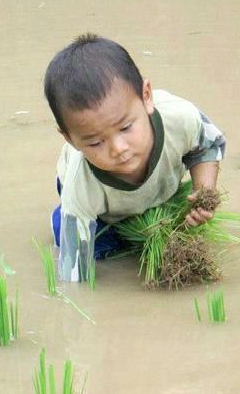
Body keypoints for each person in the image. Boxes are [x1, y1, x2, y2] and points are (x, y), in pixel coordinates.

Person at [43, 33, 226, 282]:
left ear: (146, 96)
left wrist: (203, 195)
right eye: (96, 142)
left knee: (181, 225)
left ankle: (149, 212)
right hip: (102, 208)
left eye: (126, 127)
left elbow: (207, 145)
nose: (118, 148)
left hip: (158, 186)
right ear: (69, 139)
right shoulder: (81, 185)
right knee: (97, 245)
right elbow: (75, 271)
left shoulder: (179, 118)